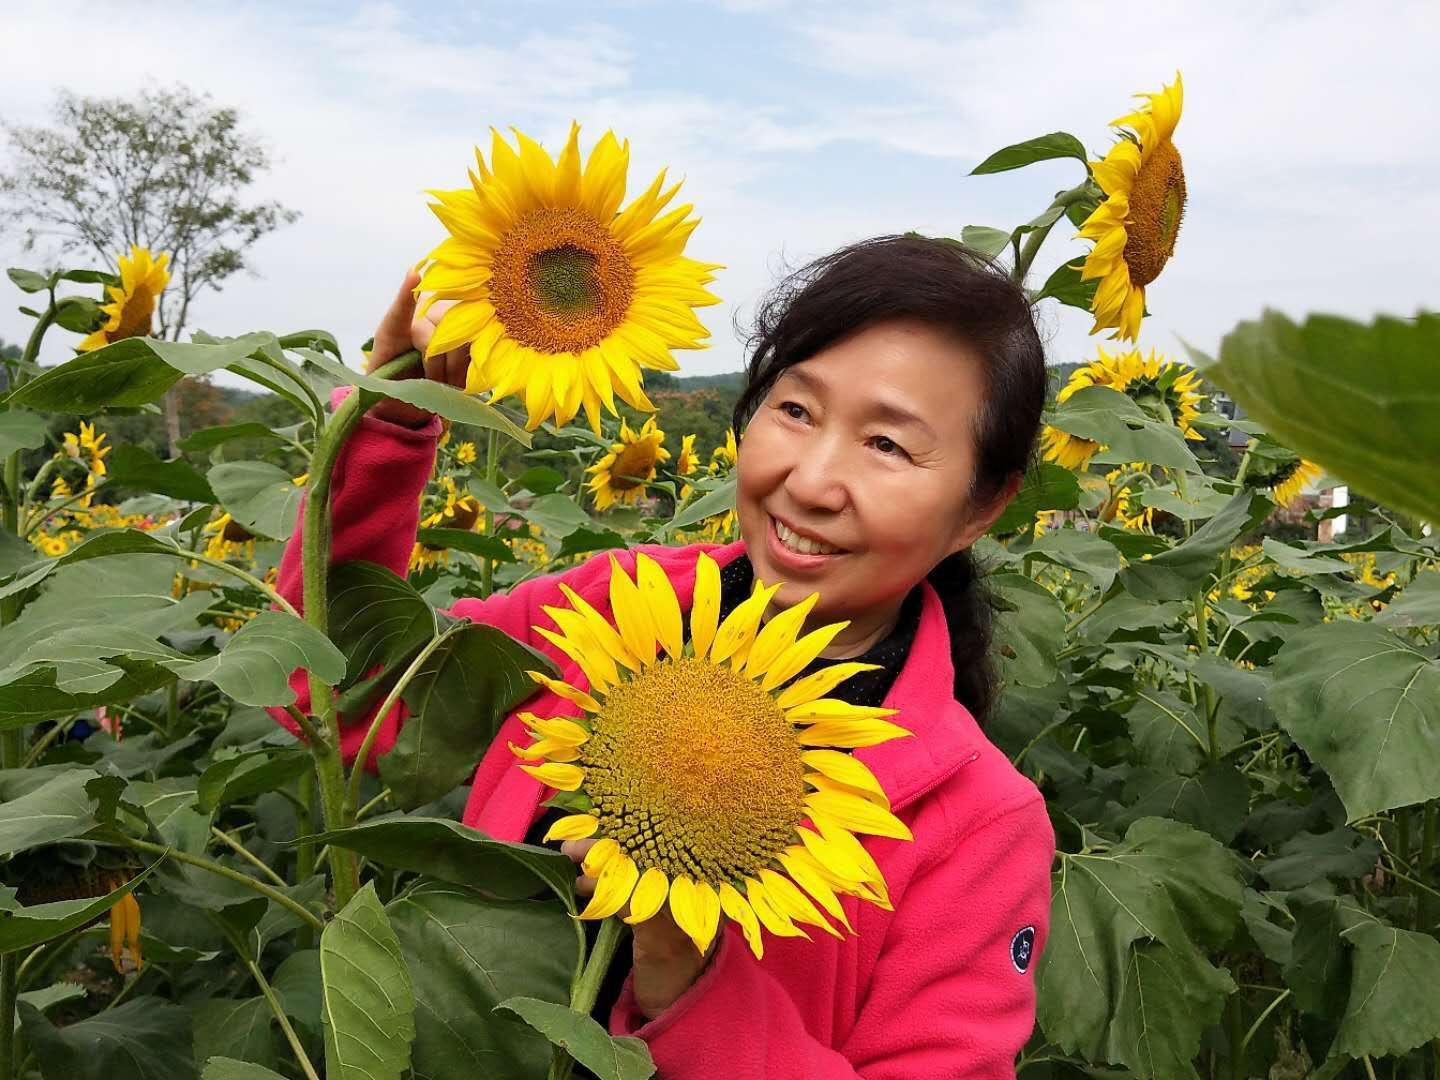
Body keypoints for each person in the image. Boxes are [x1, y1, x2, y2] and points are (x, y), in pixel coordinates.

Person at [267, 234, 1054, 1078]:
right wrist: (389, 413)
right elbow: (336, 692)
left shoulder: (977, 827)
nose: (814, 480)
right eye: (796, 411)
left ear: (982, 507)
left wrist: (688, 982)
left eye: (888, 446)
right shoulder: (611, 607)